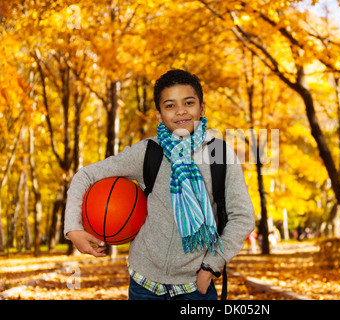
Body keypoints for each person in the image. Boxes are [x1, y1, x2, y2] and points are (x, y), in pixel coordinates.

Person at [64, 69, 255, 300]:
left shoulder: (220, 155)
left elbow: (243, 217)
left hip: (195, 286)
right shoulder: (147, 152)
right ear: (158, 114)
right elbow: (84, 175)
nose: (181, 111)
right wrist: (73, 229)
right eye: (170, 105)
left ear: (202, 108)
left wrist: (211, 266)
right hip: (144, 284)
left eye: (188, 102)